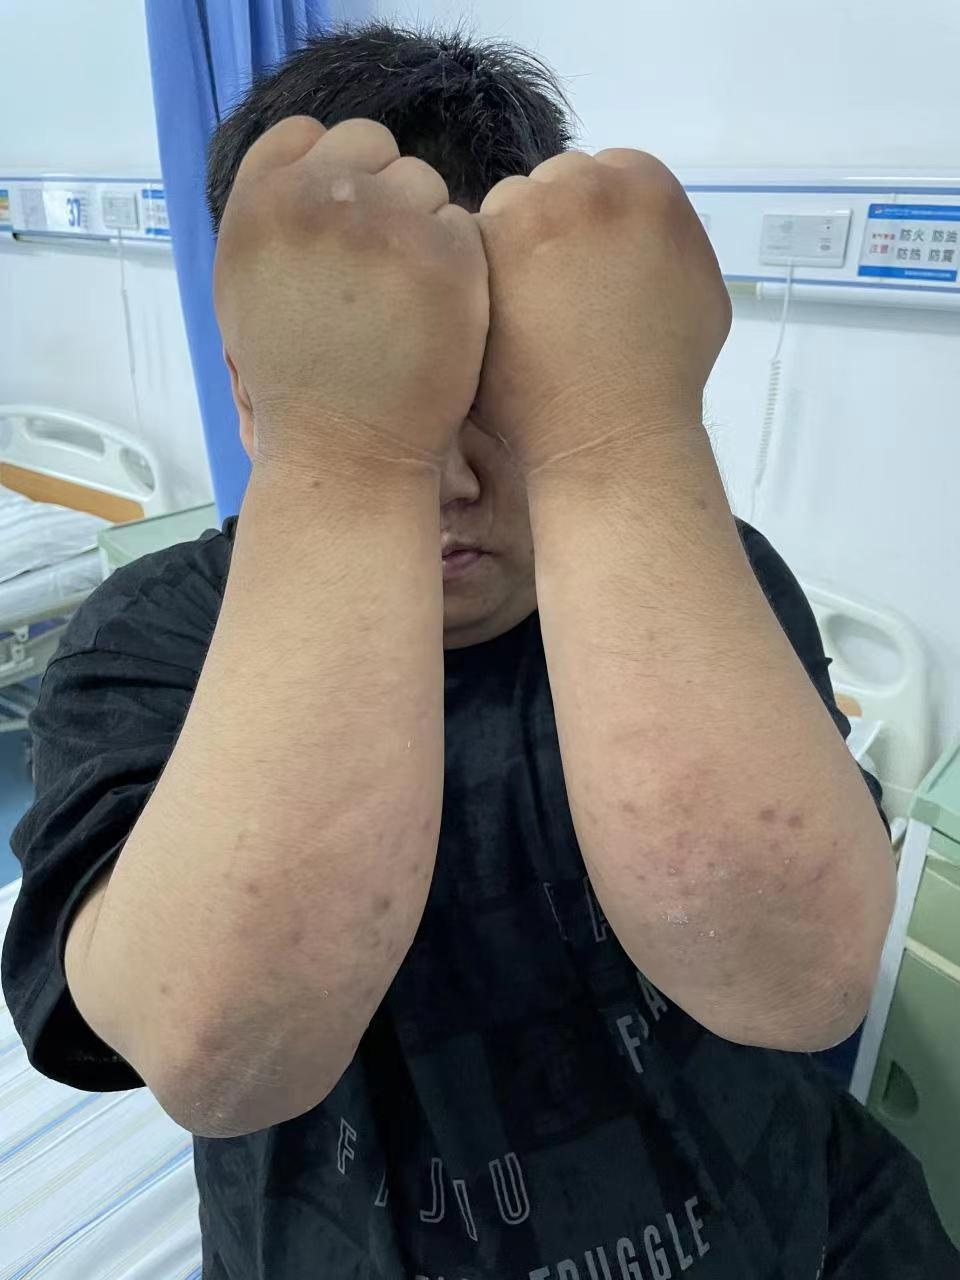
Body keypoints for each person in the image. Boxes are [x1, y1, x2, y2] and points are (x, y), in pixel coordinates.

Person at [2, 23, 956, 1280]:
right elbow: (217, 1052)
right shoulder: (156, 637)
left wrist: (624, 436)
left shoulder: (695, 578)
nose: (450, 479)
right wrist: (346, 462)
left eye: (493, 389)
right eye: (399, 395)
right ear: (252, 393)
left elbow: (804, 981)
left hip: (794, 1229)